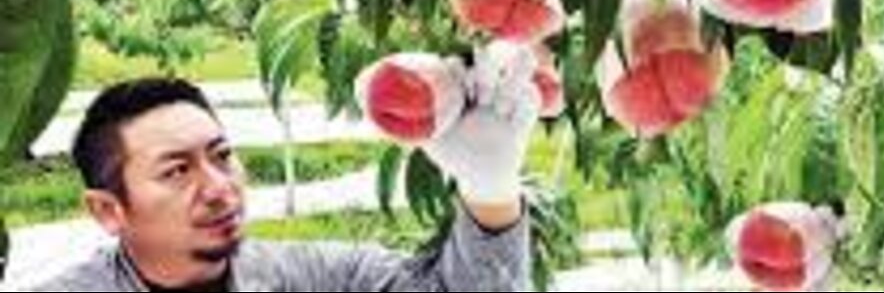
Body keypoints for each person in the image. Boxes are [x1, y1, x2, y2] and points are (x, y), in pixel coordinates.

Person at [13, 48, 541, 292]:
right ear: (109, 210)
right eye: (176, 171)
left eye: (221, 157)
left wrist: (490, 189)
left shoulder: (309, 278)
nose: (219, 188)